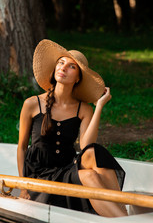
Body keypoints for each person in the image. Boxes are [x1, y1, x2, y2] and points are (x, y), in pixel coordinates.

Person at [17, 39, 127, 217]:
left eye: (71, 66)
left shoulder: (83, 108)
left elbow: (86, 147)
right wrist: (23, 185)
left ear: (77, 78)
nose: (63, 68)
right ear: (54, 70)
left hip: (67, 171)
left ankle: (122, 213)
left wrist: (98, 107)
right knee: (90, 176)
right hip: (39, 175)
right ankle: (126, 217)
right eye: (61, 63)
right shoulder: (32, 104)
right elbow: (22, 147)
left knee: (94, 153)